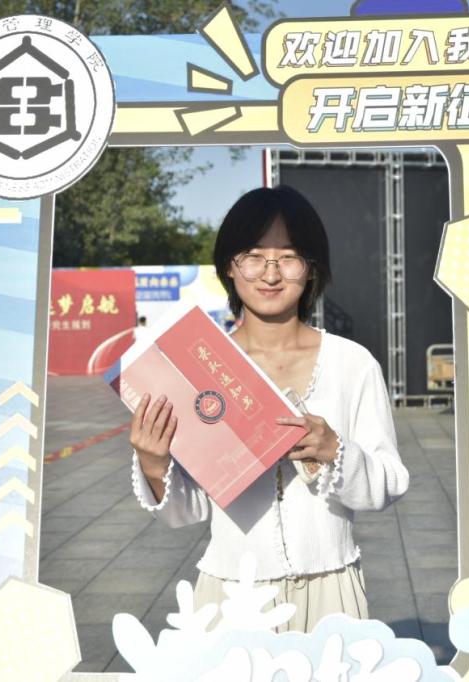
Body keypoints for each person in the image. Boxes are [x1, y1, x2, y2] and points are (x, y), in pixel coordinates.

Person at [129, 186, 409, 632]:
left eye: (289, 258)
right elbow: (188, 510)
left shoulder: (352, 363)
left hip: (330, 589)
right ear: (229, 266)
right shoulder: (199, 366)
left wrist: (336, 451)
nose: (271, 274)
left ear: (311, 268)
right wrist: (153, 463)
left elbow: (388, 483)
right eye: (254, 257)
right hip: (231, 595)